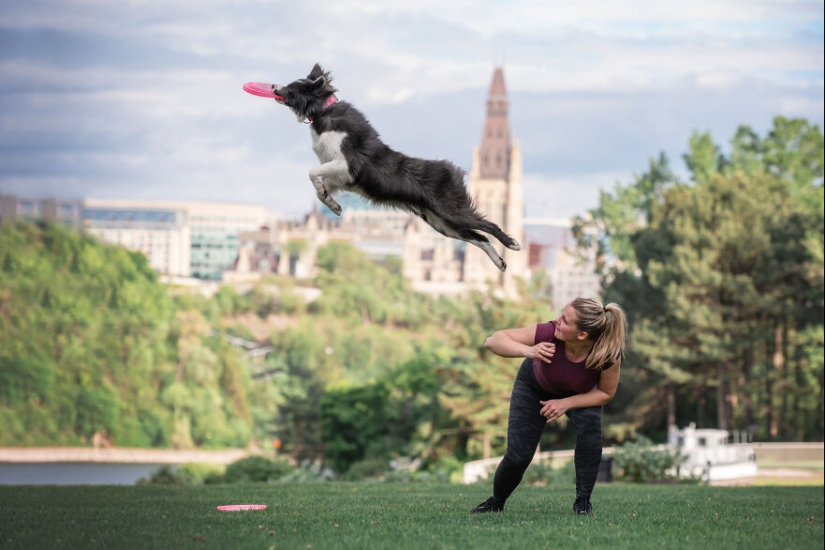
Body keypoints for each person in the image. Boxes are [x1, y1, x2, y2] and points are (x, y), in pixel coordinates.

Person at [471, 297, 628, 516]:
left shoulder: (607, 354)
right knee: (518, 455)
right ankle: (496, 502)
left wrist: (566, 403)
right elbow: (493, 341)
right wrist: (529, 351)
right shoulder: (549, 332)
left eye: (565, 320)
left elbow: (605, 393)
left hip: (578, 394)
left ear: (582, 335)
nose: (557, 320)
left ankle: (583, 503)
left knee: (590, 430)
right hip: (534, 387)